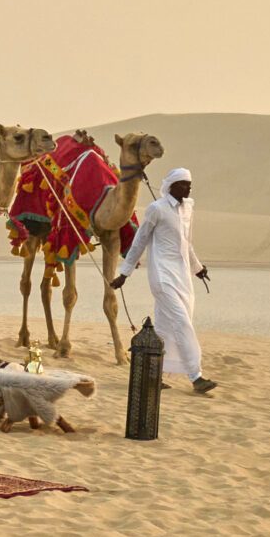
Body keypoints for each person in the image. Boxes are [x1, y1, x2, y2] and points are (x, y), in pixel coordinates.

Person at [111, 166, 215, 394]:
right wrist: (125, 273)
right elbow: (139, 241)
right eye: (184, 184)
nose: (189, 187)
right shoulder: (156, 209)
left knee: (166, 328)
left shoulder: (188, 208)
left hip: (183, 277)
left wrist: (198, 268)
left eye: (190, 183)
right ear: (172, 186)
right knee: (182, 322)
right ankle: (196, 376)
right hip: (162, 276)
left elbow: (186, 243)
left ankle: (152, 375)